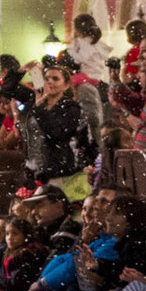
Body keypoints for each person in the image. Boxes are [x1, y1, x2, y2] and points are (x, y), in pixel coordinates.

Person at [34, 58, 98, 201]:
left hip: (64, 172)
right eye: (47, 78)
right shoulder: (39, 106)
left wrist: (40, 111)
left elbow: (57, 133)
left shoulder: (71, 109)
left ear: (66, 85)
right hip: (41, 172)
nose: (49, 82)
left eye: (55, 79)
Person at [65, 15, 113, 85]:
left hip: (88, 76)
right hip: (97, 76)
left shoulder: (85, 43)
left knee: (64, 83)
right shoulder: (95, 42)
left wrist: (70, 52)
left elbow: (79, 59)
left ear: (78, 29)